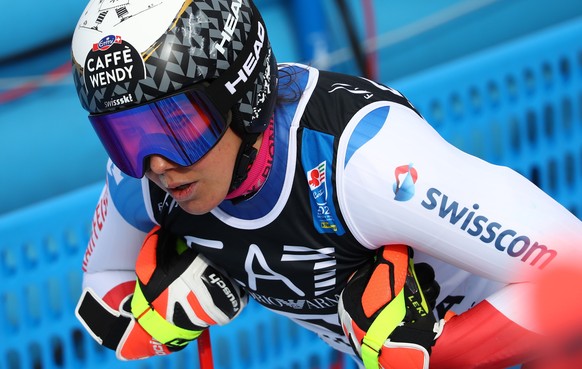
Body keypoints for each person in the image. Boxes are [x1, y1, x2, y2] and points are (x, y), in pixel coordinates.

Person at [70, 0, 582, 368]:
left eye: (176, 127)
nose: (155, 162)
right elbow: (100, 292)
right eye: (124, 134)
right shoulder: (142, 181)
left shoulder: (364, 162)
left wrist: (443, 353)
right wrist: (157, 320)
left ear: (240, 96)